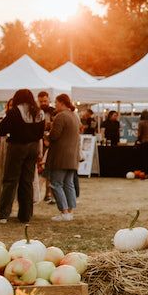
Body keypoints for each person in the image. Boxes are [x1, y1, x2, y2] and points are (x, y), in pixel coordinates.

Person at [0, 89, 46, 224]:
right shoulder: (40, 112)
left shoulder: (15, 111)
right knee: (27, 181)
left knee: (10, 180)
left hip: (17, 147)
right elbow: (41, 133)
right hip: (33, 147)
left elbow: (1, 130)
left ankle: (3, 215)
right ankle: (25, 215)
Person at [46, 94, 81, 222]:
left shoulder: (61, 116)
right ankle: (70, 212)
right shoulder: (75, 116)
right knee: (69, 184)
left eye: (56, 102)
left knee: (56, 183)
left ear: (61, 102)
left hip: (60, 156)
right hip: (72, 156)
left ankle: (64, 212)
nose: (55, 105)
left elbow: (54, 136)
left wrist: (46, 135)